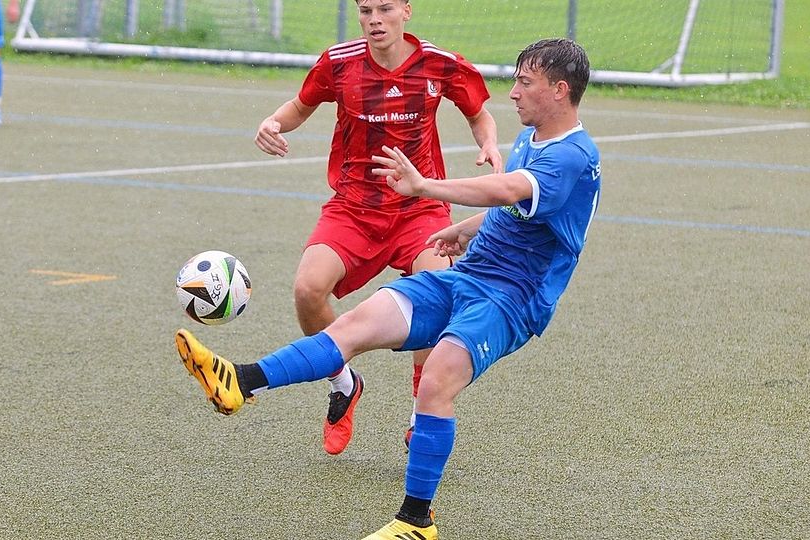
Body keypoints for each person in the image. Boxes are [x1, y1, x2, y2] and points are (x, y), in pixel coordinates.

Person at [177, 37, 600, 539]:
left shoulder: (574, 155)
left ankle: (416, 522)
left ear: (558, 90)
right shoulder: (533, 139)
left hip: (511, 299)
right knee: (359, 320)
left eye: (523, 82)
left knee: (440, 372)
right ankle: (240, 381)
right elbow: (511, 208)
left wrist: (426, 188)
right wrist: (466, 230)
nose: (512, 93)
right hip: (469, 275)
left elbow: (509, 189)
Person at [253, 0, 502, 456]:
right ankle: (344, 384)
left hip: (420, 209)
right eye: (365, 9)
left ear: (406, 10)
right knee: (308, 290)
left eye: (385, 8)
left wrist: (487, 143)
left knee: (439, 294)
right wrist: (272, 122)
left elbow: (478, 113)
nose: (373, 19)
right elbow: (297, 107)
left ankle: (418, 416)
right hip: (354, 208)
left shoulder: (439, 63)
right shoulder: (339, 62)